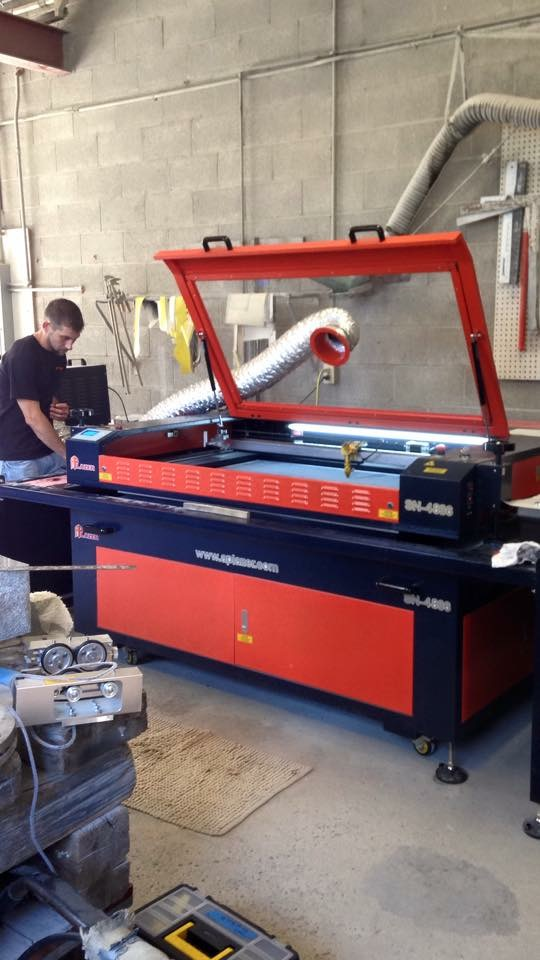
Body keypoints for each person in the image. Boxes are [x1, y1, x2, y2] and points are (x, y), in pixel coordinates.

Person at [0, 298, 84, 481]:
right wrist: (67, 454)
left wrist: (60, 409)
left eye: (74, 339)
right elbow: (32, 417)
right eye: (65, 338)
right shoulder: (22, 354)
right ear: (46, 326)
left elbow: (50, 397)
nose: (70, 346)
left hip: (47, 450)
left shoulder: (58, 356)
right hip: (20, 457)